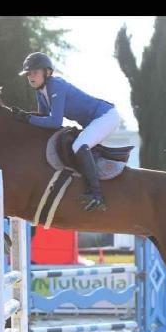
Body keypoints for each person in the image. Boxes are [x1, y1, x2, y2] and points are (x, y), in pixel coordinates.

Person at [14, 52, 121, 212]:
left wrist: (27, 119)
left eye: (35, 72)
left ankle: (97, 196)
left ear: (47, 72)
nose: (31, 76)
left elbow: (55, 122)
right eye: (28, 73)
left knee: (79, 145)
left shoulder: (55, 86)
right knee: (78, 145)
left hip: (106, 116)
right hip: (94, 121)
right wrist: (23, 118)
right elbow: (43, 119)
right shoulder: (41, 92)